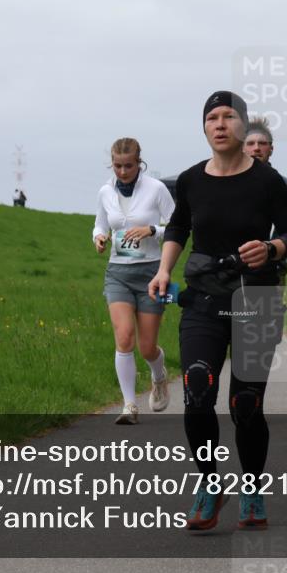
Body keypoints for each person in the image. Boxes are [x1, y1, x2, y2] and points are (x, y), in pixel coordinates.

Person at [148, 90, 287, 531]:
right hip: (205, 297)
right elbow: (178, 225)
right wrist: (163, 270)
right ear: (204, 127)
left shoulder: (268, 181)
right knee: (198, 389)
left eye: (228, 116)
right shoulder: (192, 179)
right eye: (211, 117)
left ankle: (251, 486)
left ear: (243, 125)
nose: (219, 124)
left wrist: (271, 247)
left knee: (246, 403)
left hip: (258, 299)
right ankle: (210, 485)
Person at [93, 138, 175, 425]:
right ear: (111, 164)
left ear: (140, 163)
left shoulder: (156, 189)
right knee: (124, 337)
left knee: (147, 347)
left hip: (153, 272)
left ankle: (159, 376)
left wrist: (152, 229)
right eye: (117, 166)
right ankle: (129, 406)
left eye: (129, 166)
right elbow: (100, 224)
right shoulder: (105, 191)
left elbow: (178, 226)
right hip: (118, 272)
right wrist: (99, 238)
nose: (123, 171)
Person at [244, 116, 287, 285]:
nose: (256, 148)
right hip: (233, 269)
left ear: (271, 149)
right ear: (241, 147)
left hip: (272, 268)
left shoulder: (282, 183)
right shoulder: (228, 180)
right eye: (250, 143)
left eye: (262, 143)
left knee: (268, 311)